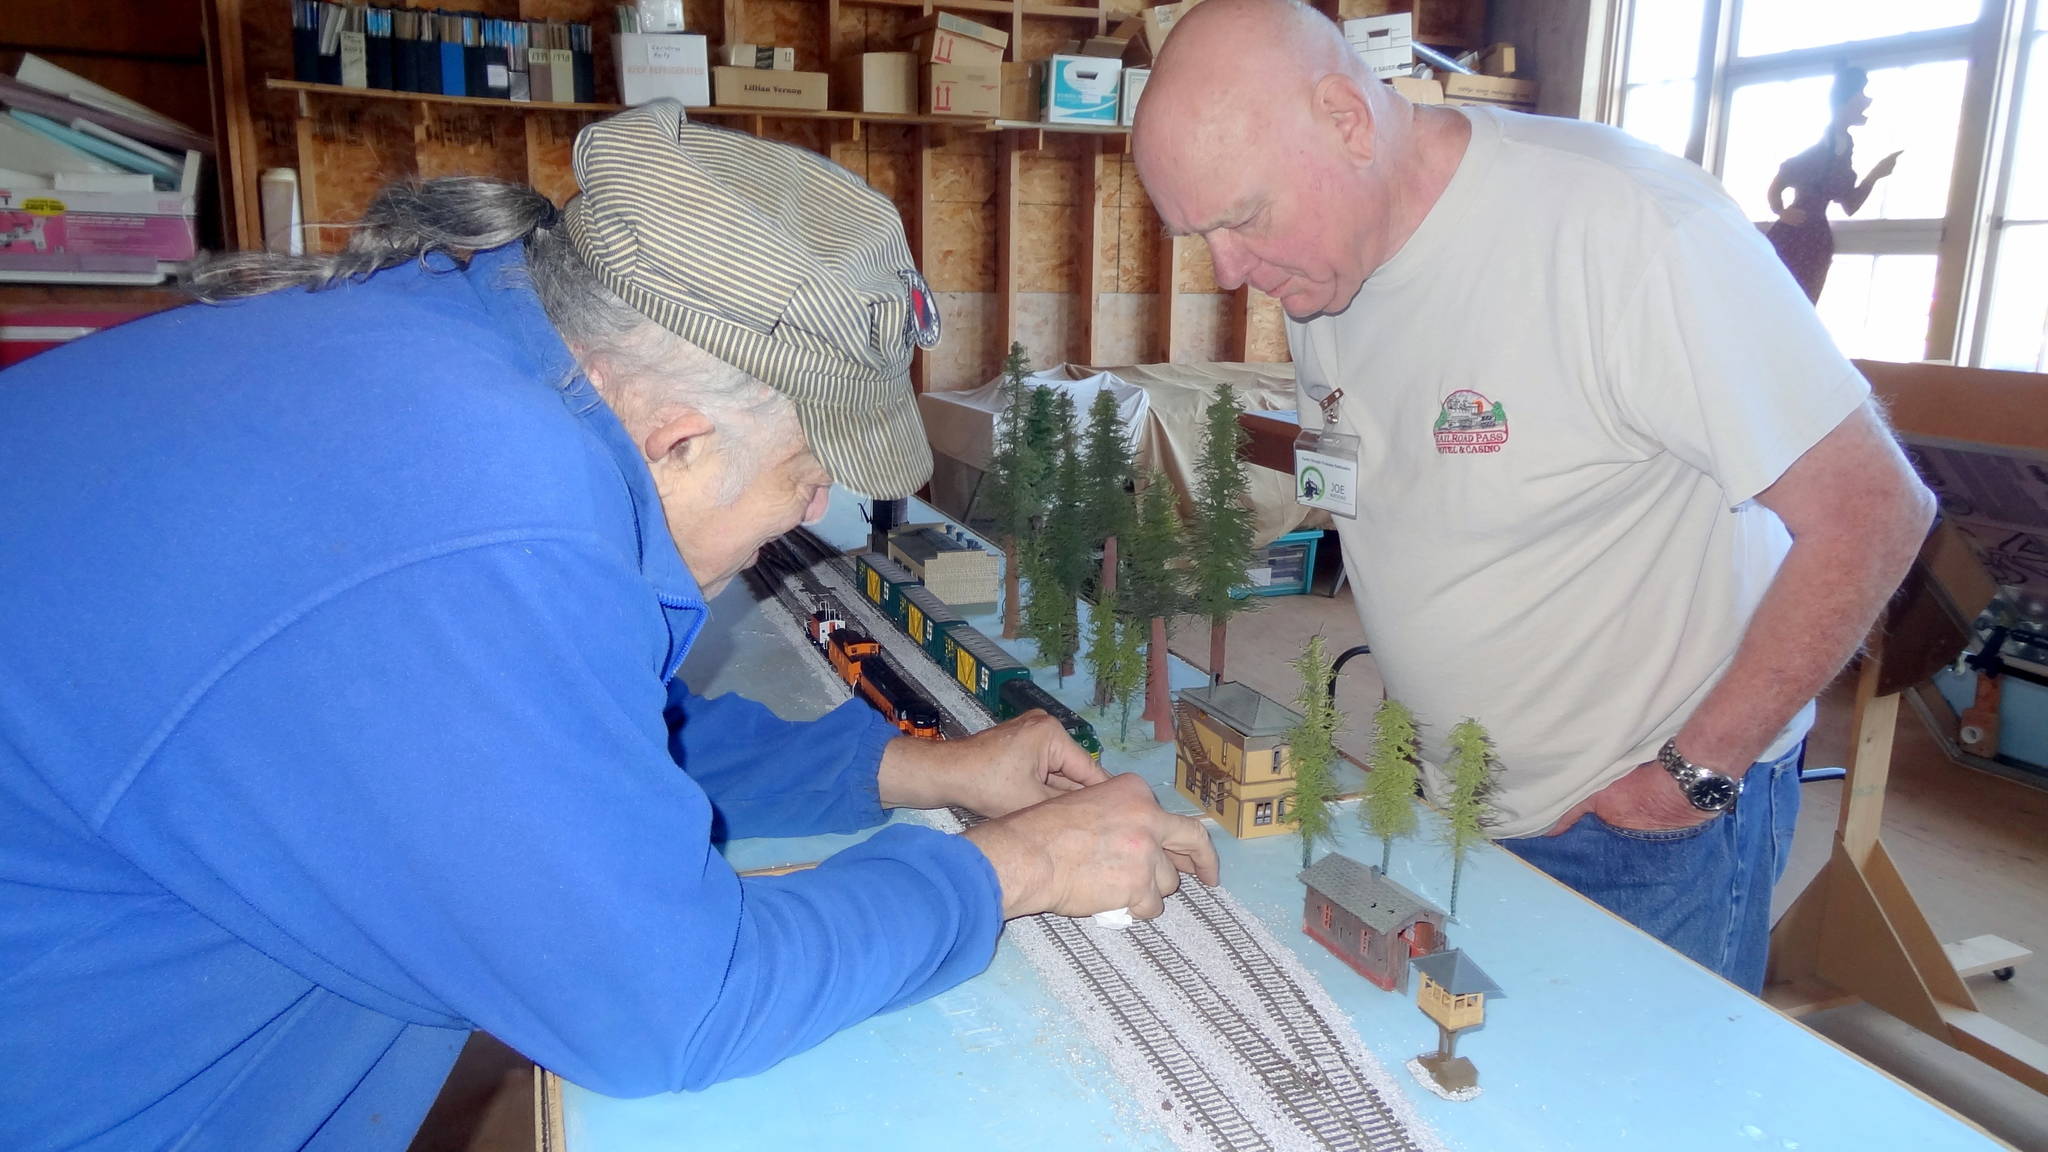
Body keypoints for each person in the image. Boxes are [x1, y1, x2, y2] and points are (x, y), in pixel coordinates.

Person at [0, 101, 1217, 1151]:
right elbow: (672, 1005)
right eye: (804, 473)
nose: (815, 514)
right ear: (675, 438)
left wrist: (917, 768)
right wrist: (1024, 866)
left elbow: (570, 737)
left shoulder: (463, 343)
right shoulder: (484, 516)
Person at [1132, 0, 1933, 993]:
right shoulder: (1325, 265)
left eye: (1242, 219)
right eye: (1197, 233)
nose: (1227, 271)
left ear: (1343, 117)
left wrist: (1691, 774)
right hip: (1455, 800)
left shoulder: (1624, 229)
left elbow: (1873, 512)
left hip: (1637, 830)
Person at [1766, 66, 1901, 302]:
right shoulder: (1819, 153)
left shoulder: (1842, 151)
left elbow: (1850, 204)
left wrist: (1875, 175)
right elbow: (1779, 182)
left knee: (1803, 302)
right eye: (1861, 97)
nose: (1866, 103)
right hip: (1793, 236)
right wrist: (1780, 211)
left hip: (1817, 240)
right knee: (1779, 298)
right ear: (1845, 103)